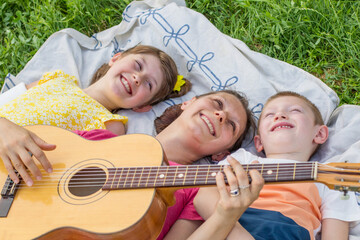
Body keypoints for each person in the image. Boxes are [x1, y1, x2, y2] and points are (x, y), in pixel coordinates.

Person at [0, 90, 264, 239]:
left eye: (230, 124)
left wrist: (226, 215)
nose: (220, 115)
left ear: (221, 154)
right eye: (217, 104)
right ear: (188, 103)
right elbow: (30, 145)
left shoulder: (195, 186)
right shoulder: (101, 139)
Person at [194, 91, 360, 240]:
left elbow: (334, 235)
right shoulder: (242, 158)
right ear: (258, 142)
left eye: (295, 110)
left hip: (287, 231)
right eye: (269, 115)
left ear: (320, 133)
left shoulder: (329, 175)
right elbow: (204, 195)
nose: (279, 115)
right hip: (234, 223)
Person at [0, 45, 191, 136]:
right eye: (138, 65)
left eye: (149, 84)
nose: (137, 78)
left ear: (142, 107)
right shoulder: (57, 79)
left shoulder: (110, 125)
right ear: (116, 58)